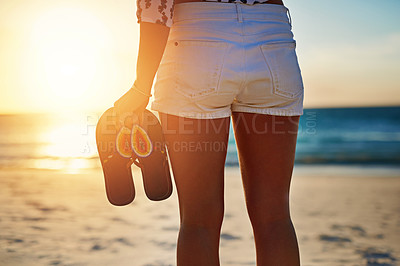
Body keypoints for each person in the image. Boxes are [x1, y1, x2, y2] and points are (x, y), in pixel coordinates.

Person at [115, 0, 303, 264]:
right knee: (275, 217)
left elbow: (156, 8)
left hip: (197, 36)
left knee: (198, 222)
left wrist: (141, 86)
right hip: (273, 36)